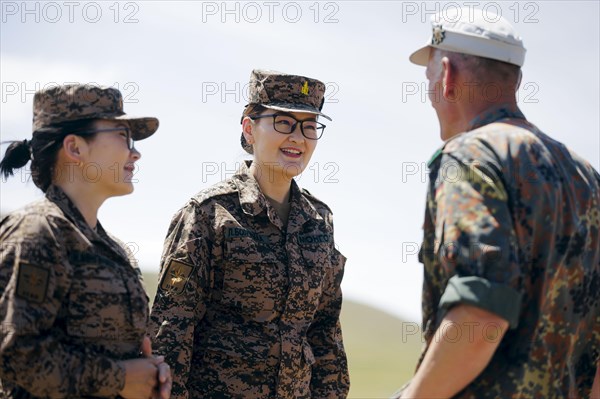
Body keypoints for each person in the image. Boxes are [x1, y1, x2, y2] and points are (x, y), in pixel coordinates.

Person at [393, 7, 600, 398]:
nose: (430, 94)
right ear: (516, 80)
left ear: (448, 76)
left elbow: (480, 311)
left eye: (429, 78)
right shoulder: (586, 175)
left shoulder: (471, 157)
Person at [148, 69, 349, 398]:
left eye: (310, 126)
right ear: (249, 128)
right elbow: (172, 331)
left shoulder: (319, 222)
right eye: (284, 122)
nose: (298, 137)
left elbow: (325, 332)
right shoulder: (207, 215)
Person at [0, 84, 172, 398]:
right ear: (76, 148)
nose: (135, 152)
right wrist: (119, 378)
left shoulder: (114, 250)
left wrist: (148, 370)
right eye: (122, 135)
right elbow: (16, 354)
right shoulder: (38, 233)